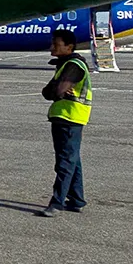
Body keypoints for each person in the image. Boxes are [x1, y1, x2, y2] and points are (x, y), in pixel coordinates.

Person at [37, 29, 92, 217]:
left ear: (69, 47)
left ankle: (57, 203)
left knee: (65, 162)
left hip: (70, 118)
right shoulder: (65, 64)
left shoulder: (74, 66)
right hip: (65, 117)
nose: (51, 47)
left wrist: (56, 90)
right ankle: (77, 200)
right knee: (72, 160)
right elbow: (48, 92)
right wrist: (54, 90)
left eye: (56, 44)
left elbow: (55, 91)